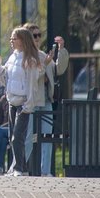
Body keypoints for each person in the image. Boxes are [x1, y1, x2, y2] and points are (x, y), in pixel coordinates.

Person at [0, 26, 54, 176]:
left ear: (22, 40)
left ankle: (19, 168)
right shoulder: (13, 56)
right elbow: (5, 77)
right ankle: (19, 167)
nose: (11, 41)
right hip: (12, 101)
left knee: (18, 137)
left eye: (14, 38)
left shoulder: (31, 59)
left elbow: (33, 80)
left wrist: (29, 103)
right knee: (12, 137)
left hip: (24, 103)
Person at [24, 23, 70, 175]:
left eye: (39, 35)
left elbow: (59, 69)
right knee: (28, 136)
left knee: (48, 138)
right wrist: (44, 64)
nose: (37, 38)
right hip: (31, 101)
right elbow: (32, 77)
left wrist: (61, 50)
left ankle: (45, 171)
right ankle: (23, 168)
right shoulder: (23, 57)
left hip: (46, 101)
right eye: (33, 35)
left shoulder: (44, 55)